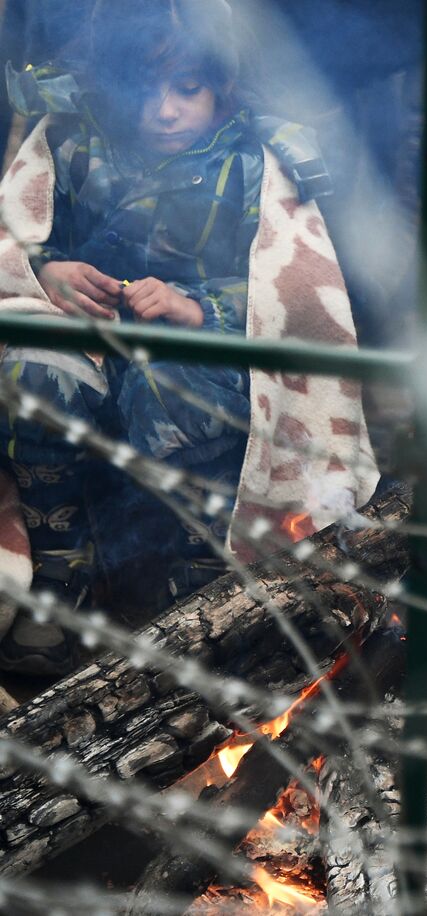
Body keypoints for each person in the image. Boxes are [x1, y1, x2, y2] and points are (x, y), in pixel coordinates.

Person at [0, 0, 378, 674]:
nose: (164, 110)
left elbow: (298, 290)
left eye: (187, 87)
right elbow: (20, 239)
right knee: (33, 369)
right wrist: (47, 271)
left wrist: (201, 308)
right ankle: (62, 584)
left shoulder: (258, 162)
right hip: (94, 345)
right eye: (143, 89)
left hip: (209, 365)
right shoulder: (73, 143)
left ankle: (202, 592)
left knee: (172, 388)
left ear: (223, 86)